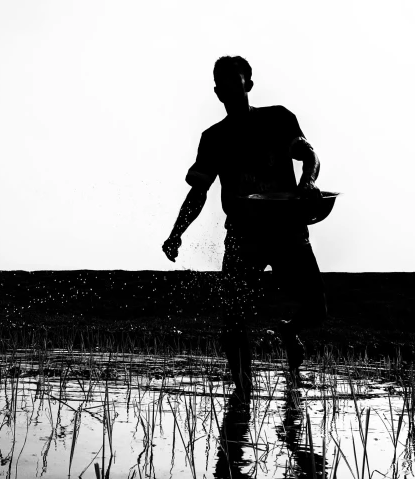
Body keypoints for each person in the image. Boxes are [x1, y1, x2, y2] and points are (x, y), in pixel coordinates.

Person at [162, 55, 327, 398]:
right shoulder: (214, 139)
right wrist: (177, 232)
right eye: (222, 87)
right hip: (243, 236)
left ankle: (288, 331)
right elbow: (199, 192)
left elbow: (309, 154)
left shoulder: (279, 119)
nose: (229, 92)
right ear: (217, 93)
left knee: (317, 309)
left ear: (248, 85)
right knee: (234, 321)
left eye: (235, 84)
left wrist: (308, 183)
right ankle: (243, 394)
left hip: (287, 231)